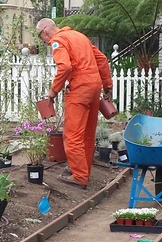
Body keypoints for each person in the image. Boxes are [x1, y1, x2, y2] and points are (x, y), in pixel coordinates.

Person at [36, 18, 113, 189]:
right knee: (87, 133)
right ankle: (83, 171)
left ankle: (79, 176)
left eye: (42, 39)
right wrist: (107, 86)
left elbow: (65, 67)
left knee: (72, 135)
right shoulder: (79, 36)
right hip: (94, 88)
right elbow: (102, 59)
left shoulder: (58, 41)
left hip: (79, 89)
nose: (45, 42)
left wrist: (53, 90)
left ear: (45, 31)